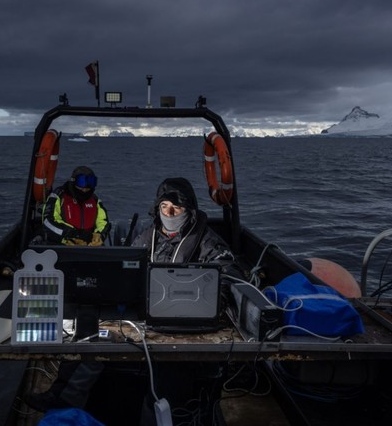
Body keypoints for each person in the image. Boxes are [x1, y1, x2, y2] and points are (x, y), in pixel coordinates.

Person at [24, 177, 242, 422]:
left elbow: (230, 274)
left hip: (183, 321)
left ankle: (165, 413)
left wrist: (211, 300)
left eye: (176, 208)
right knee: (91, 330)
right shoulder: (148, 236)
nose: (169, 213)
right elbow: (125, 266)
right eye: (164, 207)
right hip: (140, 312)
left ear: (189, 210)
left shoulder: (207, 241)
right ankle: (63, 397)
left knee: (171, 373)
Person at [43, 166, 109, 246]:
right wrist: (71, 235)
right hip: (61, 245)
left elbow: (103, 222)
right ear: (73, 181)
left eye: (91, 182)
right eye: (81, 182)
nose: (85, 188)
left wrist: (100, 235)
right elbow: (48, 221)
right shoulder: (59, 196)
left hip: (90, 246)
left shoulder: (94, 200)